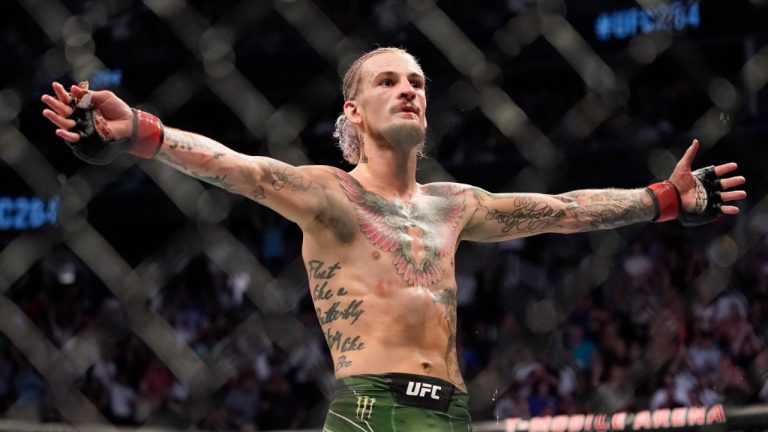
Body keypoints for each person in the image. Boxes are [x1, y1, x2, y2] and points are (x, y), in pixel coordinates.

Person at [41, 47, 746, 431]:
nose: (408, 89)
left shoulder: (453, 206)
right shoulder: (329, 195)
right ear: (355, 107)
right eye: (388, 80)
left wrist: (661, 199)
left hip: (454, 413)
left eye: (417, 80)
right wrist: (139, 129)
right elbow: (239, 168)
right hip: (373, 413)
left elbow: (560, 209)